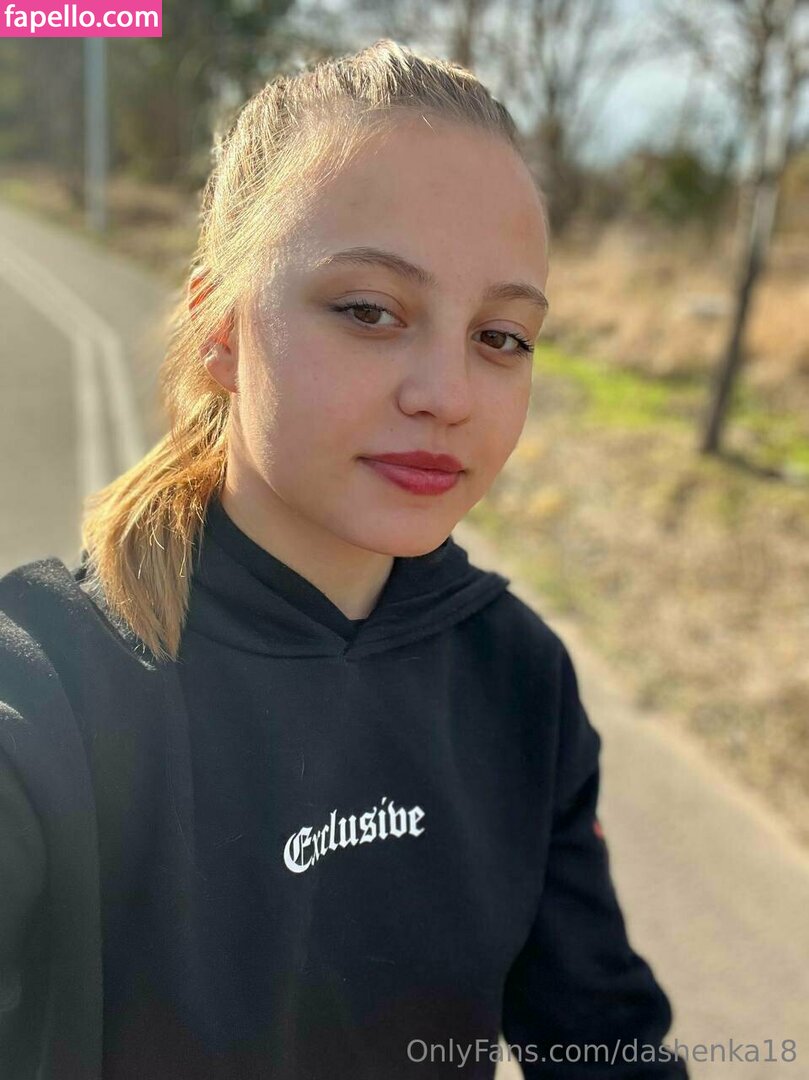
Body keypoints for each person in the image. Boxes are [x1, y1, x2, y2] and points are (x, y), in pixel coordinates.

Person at [0, 38, 689, 1080]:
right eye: (370, 311)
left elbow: (604, 1046)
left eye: (501, 337)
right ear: (220, 329)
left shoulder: (517, 681)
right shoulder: (47, 688)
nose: (445, 395)